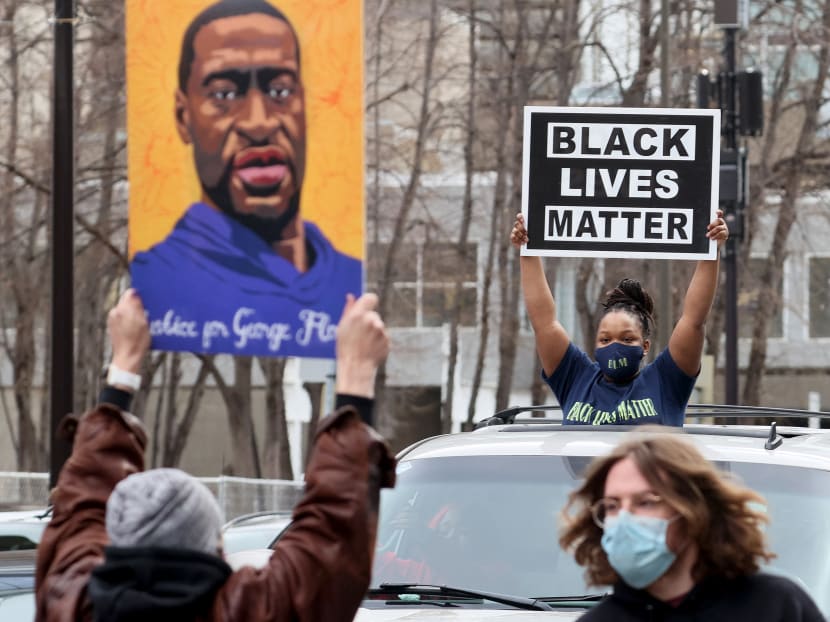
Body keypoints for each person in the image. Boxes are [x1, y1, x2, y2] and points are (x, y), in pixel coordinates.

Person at [35, 289, 395, 621]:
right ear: (215, 549)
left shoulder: (69, 602)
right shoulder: (245, 612)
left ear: (114, 541)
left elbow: (81, 508)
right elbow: (330, 537)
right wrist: (356, 371)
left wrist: (123, 367)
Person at [130, 0, 361, 358]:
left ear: (304, 104)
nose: (259, 122)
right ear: (182, 116)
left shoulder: (348, 288)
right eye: (223, 94)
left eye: (280, 91)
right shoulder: (156, 283)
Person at [558, 430, 824, 621]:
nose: (624, 520)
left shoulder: (775, 606)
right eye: (613, 506)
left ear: (693, 510)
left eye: (646, 502)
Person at [510, 210, 729, 426]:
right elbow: (544, 323)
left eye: (626, 339)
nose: (614, 347)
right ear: (595, 344)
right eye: (605, 340)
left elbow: (693, 320)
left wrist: (711, 250)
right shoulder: (576, 377)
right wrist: (527, 250)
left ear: (645, 346)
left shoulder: (666, 380)